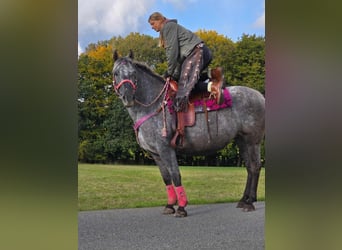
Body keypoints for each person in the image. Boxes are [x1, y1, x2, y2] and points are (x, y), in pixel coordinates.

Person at [148, 12, 224, 112]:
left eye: (153, 24)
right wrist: (174, 75)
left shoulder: (168, 27)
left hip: (196, 53)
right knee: (184, 84)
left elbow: (172, 52)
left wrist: (169, 72)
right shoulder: (170, 28)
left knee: (183, 89)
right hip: (198, 53)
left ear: (159, 20)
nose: (152, 27)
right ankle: (212, 75)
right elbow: (179, 60)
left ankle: (214, 86)